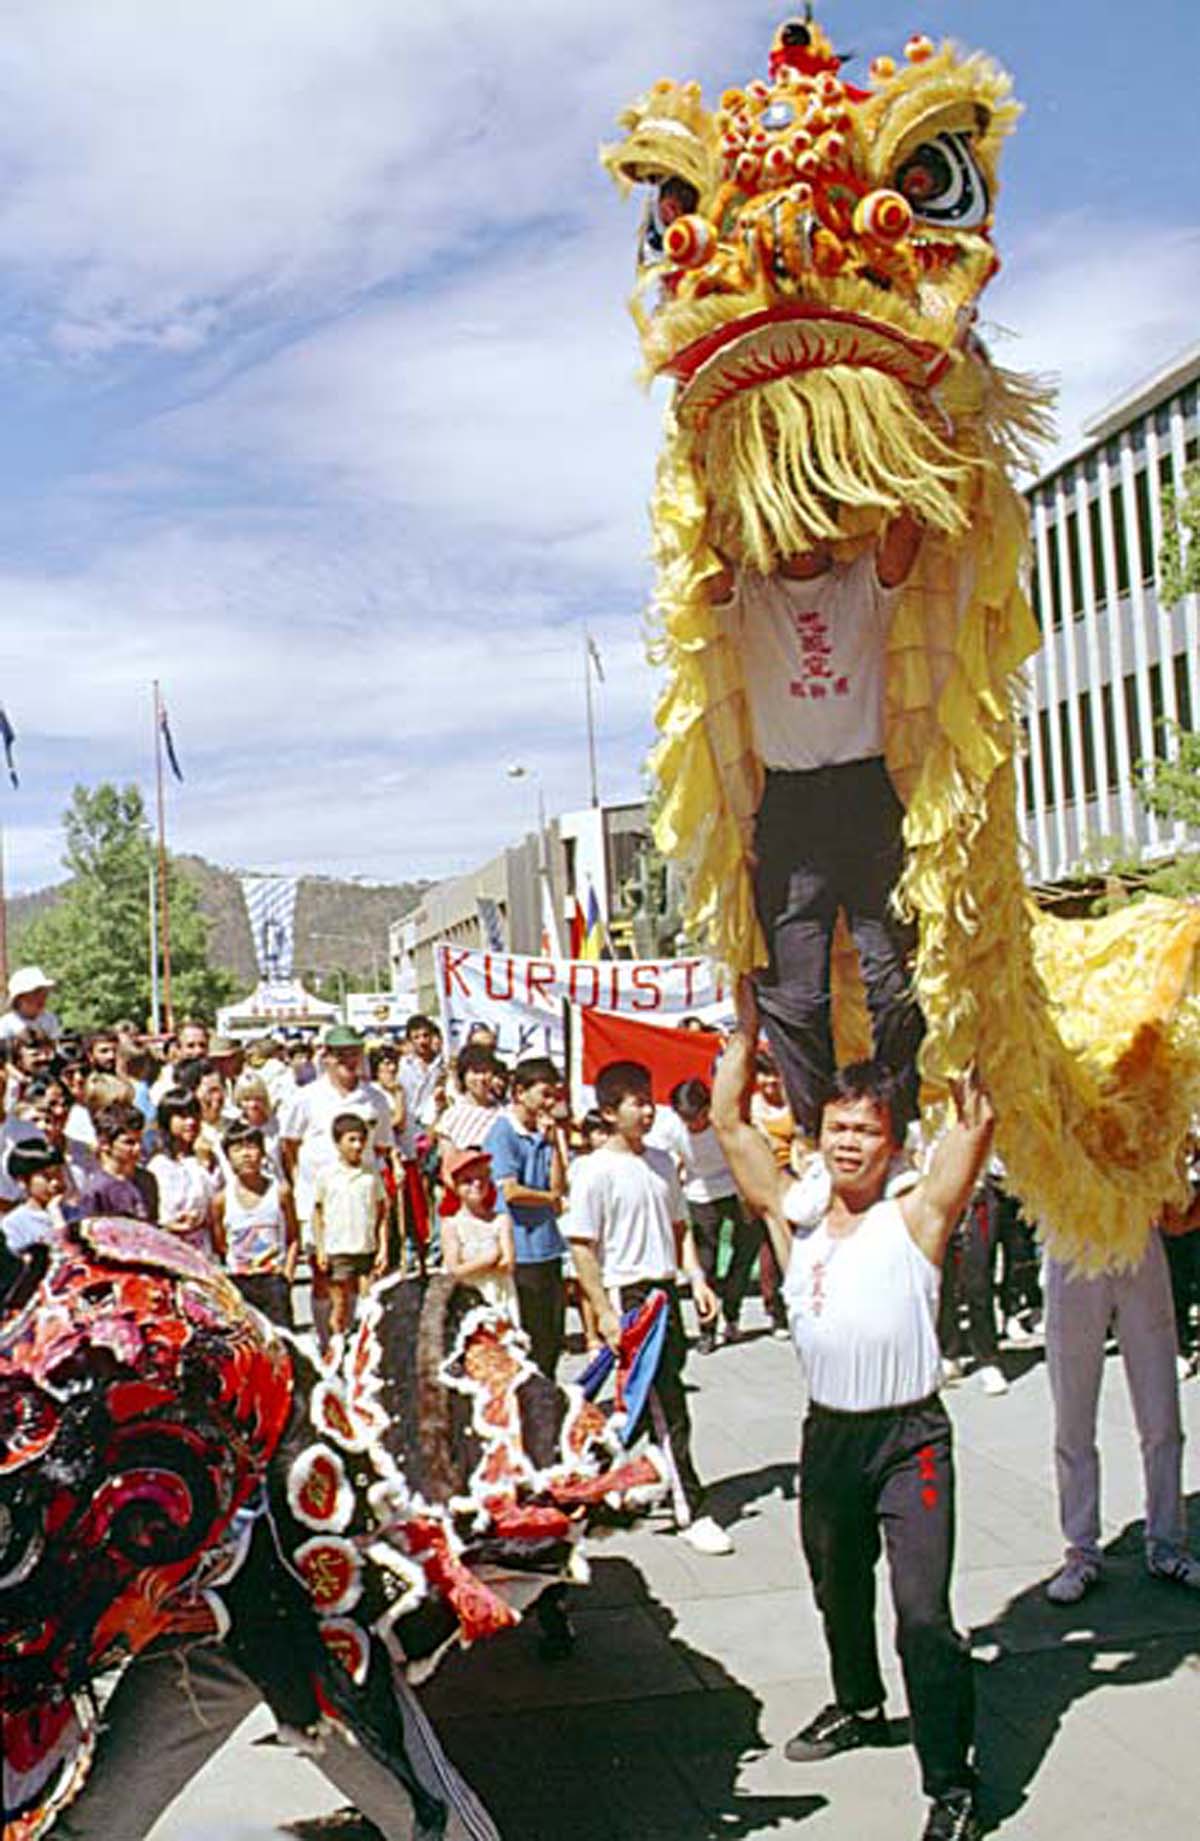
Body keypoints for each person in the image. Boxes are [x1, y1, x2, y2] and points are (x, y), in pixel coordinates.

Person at [712, 982, 994, 1841]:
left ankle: (952, 1785)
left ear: (892, 1142)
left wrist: (967, 996)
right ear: (819, 1133)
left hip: (911, 1440)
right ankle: (860, 1705)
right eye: (837, 1126)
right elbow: (729, 1122)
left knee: (923, 1617)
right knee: (837, 1589)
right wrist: (748, 1024)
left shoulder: (918, 1214)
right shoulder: (791, 1219)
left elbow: (977, 1123)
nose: (848, 1141)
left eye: (866, 1130)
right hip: (827, 1435)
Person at [710, 518, 925, 1139]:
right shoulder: (749, 592)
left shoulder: (862, 581)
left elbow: (904, 536)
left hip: (865, 793)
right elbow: (699, 554)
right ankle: (816, 1130)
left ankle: (891, 1120)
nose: (802, 529)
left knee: (892, 978)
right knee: (794, 996)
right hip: (790, 803)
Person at [569, 1058, 734, 1558]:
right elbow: (582, 1247)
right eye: (636, 1102)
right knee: (666, 1407)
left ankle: (585, 1475)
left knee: (644, 1405)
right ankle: (690, 1507)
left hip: (665, 1293)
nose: (647, 1110)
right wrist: (602, 1312)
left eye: (648, 1100)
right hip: (630, 1297)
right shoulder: (593, 1171)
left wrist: (697, 1281)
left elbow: (680, 1229)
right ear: (607, 1110)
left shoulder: (662, 1162)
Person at [1042, 1218, 1200, 1605]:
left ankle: (1166, 1543)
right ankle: (1081, 1550)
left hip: (1138, 1241)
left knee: (1161, 1415)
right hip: (1072, 1240)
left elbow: (1177, 1213)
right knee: (1073, 1418)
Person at [651, 1076, 761, 1351]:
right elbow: (671, 1164)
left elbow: (742, 1157)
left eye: (697, 1117)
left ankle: (732, 1313)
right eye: (686, 1118)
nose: (693, 1124)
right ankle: (707, 1329)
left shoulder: (722, 1122)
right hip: (700, 1194)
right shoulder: (672, 1129)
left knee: (745, 1250)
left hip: (735, 1188)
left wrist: (748, 1196)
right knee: (705, 1263)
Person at [484, 1057, 567, 1379]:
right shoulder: (503, 1132)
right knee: (528, 1333)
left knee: (552, 1334)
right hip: (519, 1245)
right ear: (520, 1092)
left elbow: (559, 1184)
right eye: (544, 1094)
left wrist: (554, 1144)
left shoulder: (543, 1132)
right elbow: (509, 1190)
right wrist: (551, 1200)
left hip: (548, 1244)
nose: (550, 1103)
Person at [212, 1120, 298, 1328]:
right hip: (239, 1282)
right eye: (237, 1149)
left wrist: (287, 1275)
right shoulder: (221, 1200)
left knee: (281, 1343)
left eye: (251, 1147)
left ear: (262, 1153)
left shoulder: (280, 1192)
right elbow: (221, 1243)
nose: (246, 1154)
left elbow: (293, 1237)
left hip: (273, 1280)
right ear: (228, 1158)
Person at [312, 1112, 388, 1336]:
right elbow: (318, 1213)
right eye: (351, 1140)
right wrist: (321, 1249)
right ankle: (336, 1348)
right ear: (337, 1143)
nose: (357, 1146)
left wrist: (382, 1247)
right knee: (341, 1305)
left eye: (361, 1140)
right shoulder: (327, 1175)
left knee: (369, 1304)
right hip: (338, 1248)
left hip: (366, 1247)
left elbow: (383, 1212)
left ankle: (363, 1348)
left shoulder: (371, 1176)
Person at [440, 1146, 518, 1318]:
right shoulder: (452, 1225)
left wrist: (494, 1262)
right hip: (468, 1298)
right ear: (456, 1186)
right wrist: (488, 1259)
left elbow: (508, 1263)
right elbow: (453, 1270)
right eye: (467, 1180)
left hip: (498, 1295)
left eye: (482, 1179)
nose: (476, 1184)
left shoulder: (500, 1220)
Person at [149, 1090, 218, 1253]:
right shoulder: (159, 1165)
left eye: (194, 1115)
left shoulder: (208, 1156)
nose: (190, 1122)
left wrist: (207, 1165)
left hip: (203, 1247)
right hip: (170, 1247)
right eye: (182, 1117)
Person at [76, 1102, 159, 1222]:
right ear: (105, 1144)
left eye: (140, 1141)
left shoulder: (147, 1180)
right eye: (129, 1142)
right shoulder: (96, 1190)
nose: (138, 1148)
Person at [1, 1138, 69, 1250]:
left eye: (58, 1173)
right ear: (22, 1181)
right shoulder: (12, 1226)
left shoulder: (77, 1213)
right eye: (47, 1177)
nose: (55, 1182)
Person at [0, 964, 61, 1042]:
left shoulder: (50, 1019)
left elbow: (56, 1043)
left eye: (44, 993)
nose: (42, 997)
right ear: (19, 999)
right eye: (36, 993)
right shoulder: (7, 1023)